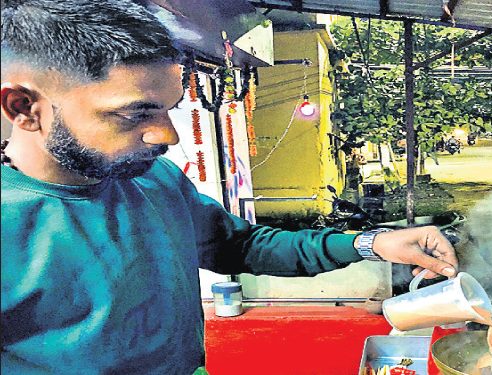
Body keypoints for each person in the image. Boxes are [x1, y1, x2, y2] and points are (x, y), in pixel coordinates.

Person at [0, 1, 458, 373]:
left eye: (169, 110)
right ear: (24, 108)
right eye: (135, 113)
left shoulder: (155, 181)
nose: (167, 136)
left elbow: (241, 246)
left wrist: (373, 243)